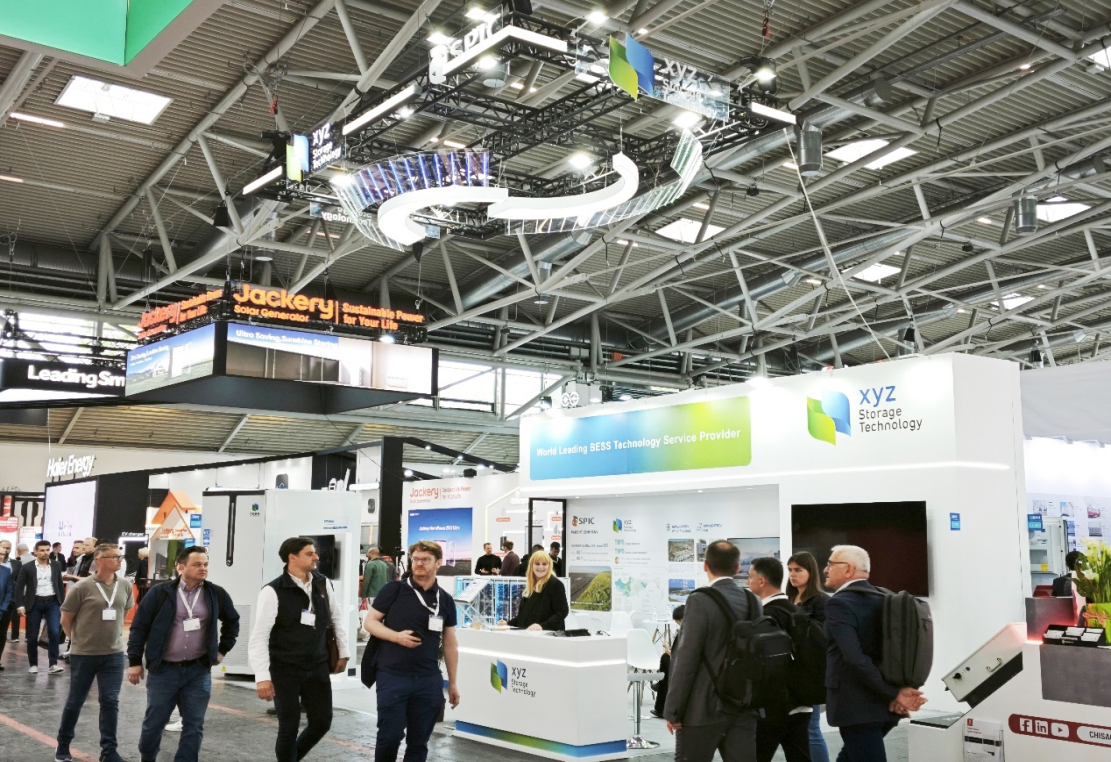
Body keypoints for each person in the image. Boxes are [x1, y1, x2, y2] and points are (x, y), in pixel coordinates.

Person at [127, 546, 240, 762]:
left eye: (205, 564)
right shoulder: (160, 593)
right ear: (181, 567)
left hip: (198, 671)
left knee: (194, 724)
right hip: (164, 671)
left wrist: (222, 650)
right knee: (154, 723)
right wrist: (134, 661)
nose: (203, 568)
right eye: (197, 564)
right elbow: (139, 627)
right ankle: (147, 758)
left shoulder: (215, 593)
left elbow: (232, 621)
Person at [248, 537, 350, 762]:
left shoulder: (322, 583)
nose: (316, 557)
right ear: (292, 557)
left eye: (315, 553)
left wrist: (343, 652)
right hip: (285, 668)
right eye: (309, 553)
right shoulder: (273, 591)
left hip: (317, 665)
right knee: (289, 726)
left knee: (322, 722)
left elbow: (336, 618)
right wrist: (262, 677)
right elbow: (259, 636)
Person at [823, 545, 926, 762]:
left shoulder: (839, 603)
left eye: (830, 564)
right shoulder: (885, 597)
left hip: (857, 706)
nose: (825, 569)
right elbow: (907, 650)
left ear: (848, 569)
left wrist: (894, 693)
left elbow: (854, 658)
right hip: (884, 706)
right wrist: (898, 691)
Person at [363, 540, 461, 762]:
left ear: (438, 563)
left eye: (425, 559)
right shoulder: (394, 590)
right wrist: (396, 637)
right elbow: (370, 622)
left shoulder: (445, 599)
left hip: (428, 679)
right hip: (393, 676)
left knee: (419, 742)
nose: (419, 563)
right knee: (389, 736)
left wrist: (453, 682)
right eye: (415, 559)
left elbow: (450, 643)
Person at [664, 539, 760, 762]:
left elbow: (686, 659)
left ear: (705, 565)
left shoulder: (700, 600)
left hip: (702, 709)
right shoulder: (753, 601)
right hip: (744, 705)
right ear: (737, 567)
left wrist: (673, 710)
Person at [56, 542, 134, 762]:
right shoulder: (82, 587)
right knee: (75, 701)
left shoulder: (125, 585)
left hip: (113, 655)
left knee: (110, 701)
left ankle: (109, 751)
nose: (119, 560)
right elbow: (66, 620)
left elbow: (124, 612)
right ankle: (63, 744)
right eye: (114, 557)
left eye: (120, 557)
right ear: (99, 560)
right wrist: (78, 641)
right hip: (85, 654)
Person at [748, 557, 811, 762]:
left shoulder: (766, 616)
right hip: (802, 701)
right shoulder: (798, 611)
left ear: (761, 581)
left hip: (773, 706)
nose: (748, 581)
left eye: (750, 576)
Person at [787, 551, 832, 762]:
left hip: (811, 671)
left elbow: (823, 640)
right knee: (800, 728)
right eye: (790, 570)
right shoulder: (790, 599)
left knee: (811, 728)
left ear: (810, 572)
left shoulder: (821, 601)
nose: (792, 574)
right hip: (792, 670)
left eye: (798, 570)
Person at [15, 539, 65, 674]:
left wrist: (63, 603)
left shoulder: (56, 565)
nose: (45, 553)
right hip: (34, 602)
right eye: (42, 550)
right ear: (35, 552)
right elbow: (19, 587)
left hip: (53, 602)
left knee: (54, 632)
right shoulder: (27, 567)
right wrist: (20, 605)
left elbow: (60, 585)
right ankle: (33, 664)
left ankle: (53, 664)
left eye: (47, 550)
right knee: (32, 635)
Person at [504, 550, 568, 631]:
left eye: (544, 564)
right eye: (537, 564)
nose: (541, 567)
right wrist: (507, 624)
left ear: (549, 566)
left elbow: (562, 612)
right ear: (531, 566)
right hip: (530, 634)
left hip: (547, 635)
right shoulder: (531, 586)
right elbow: (524, 616)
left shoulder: (555, 584)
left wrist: (542, 626)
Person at [651, 604, 685, 718]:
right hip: (681, 661)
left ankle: (660, 687)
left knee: (665, 658)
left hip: (682, 665)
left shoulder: (686, 632)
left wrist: (671, 653)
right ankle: (660, 685)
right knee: (665, 658)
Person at [1, 539, 21, 646]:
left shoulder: (15, 565)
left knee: (2, 633)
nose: (5, 550)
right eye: (3, 548)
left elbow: (17, 584)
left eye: (7, 548)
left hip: (8, 604)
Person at [0, 545, 13, 669]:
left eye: (2, 554)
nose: (0, 556)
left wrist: (3, 608)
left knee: (1, 635)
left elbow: (9, 591)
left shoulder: (6, 571)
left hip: (2, 610)